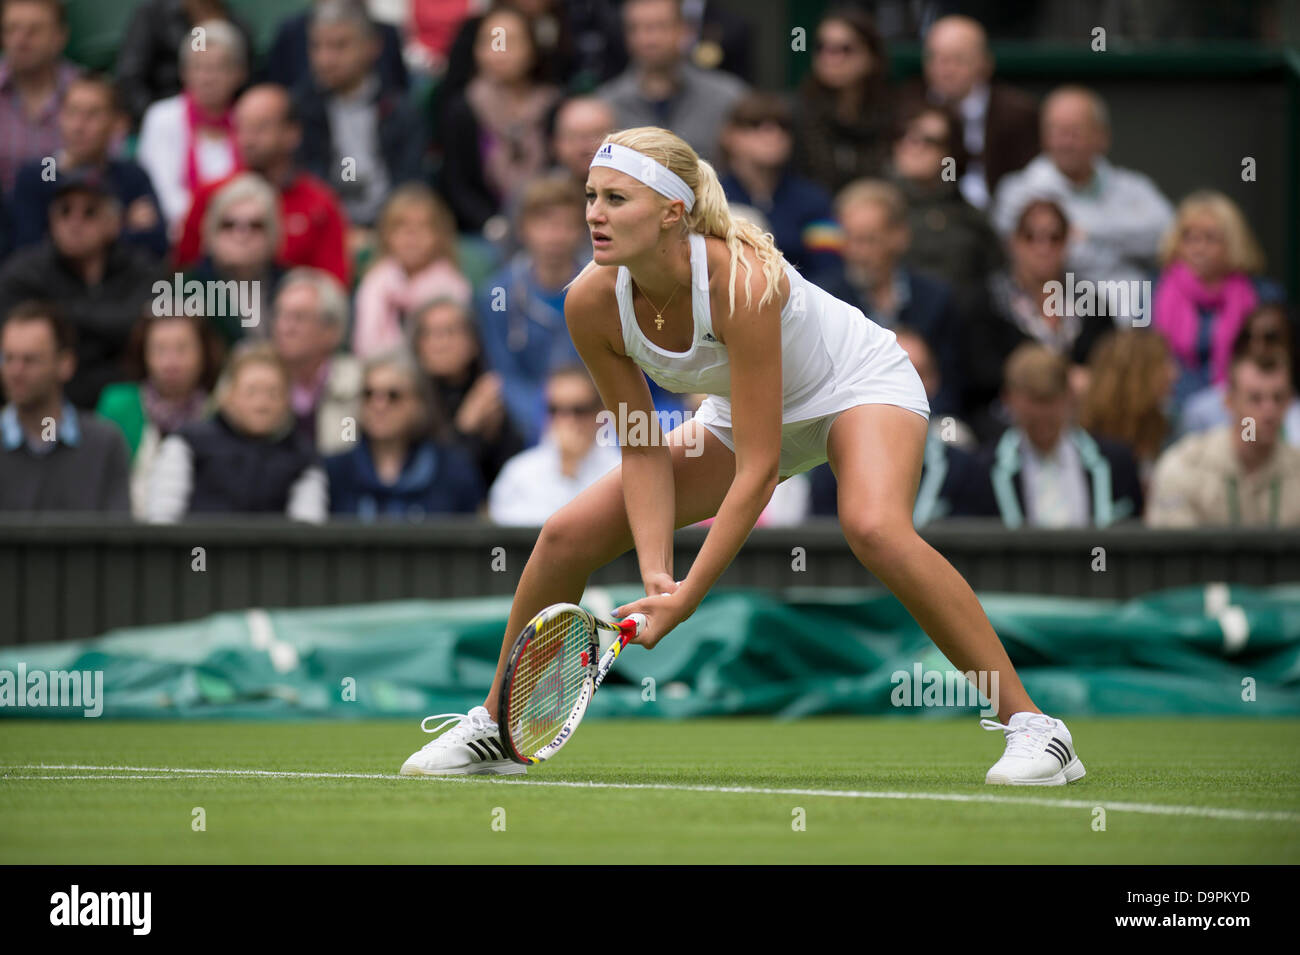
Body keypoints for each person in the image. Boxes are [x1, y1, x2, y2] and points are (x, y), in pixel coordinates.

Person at [400, 125, 1088, 787]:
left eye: (615, 199)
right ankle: (498, 724)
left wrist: (688, 597)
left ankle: (1034, 725)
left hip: (855, 387)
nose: (594, 216)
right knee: (567, 533)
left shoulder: (741, 280)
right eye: (590, 197)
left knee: (874, 527)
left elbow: (759, 470)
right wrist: (656, 573)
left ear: (672, 213)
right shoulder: (591, 301)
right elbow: (640, 448)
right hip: (741, 411)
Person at [0, 170, 161, 410]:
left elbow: (143, 329)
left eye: (89, 212)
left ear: (114, 223)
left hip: (125, 404)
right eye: (65, 211)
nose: (75, 222)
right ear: (51, 219)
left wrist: (64, 314)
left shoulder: (141, 269)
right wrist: (108, 325)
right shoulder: (23, 272)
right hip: (43, 403)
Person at [991, 85, 1173, 290]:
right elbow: (1046, 262)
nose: (1065, 142)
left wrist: (1091, 232)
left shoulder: (1134, 187)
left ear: (1102, 137)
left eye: (1074, 132)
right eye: (1056, 131)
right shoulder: (1017, 191)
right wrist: (1126, 243)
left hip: (1133, 311)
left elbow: (1168, 241)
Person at [964, 198, 1112, 443]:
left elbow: (1110, 367)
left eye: (1054, 237)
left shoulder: (1091, 302)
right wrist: (1056, 381)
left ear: (1067, 242)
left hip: (1085, 419)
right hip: (1009, 424)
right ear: (1013, 243)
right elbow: (980, 376)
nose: (1043, 247)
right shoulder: (986, 302)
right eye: (1031, 236)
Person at [174, 84, 351, 286]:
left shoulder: (321, 204)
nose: (248, 139)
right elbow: (184, 273)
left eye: (260, 128)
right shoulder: (210, 195)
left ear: (292, 133)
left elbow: (332, 287)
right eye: (241, 127)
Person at [818, 179, 963, 417]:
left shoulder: (935, 299)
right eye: (850, 239)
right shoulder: (826, 301)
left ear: (899, 237)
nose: (857, 253)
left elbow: (951, 388)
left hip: (928, 425)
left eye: (868, 240)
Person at [146, 341, 327, 522]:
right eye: (251, 392)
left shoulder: (303, 457)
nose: (262, 404)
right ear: (228, 395)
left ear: (287, 401)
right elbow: (162, 521)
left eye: (273, 393)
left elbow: (307, 531)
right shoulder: (186, 444)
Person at [293, 0, 428, 231]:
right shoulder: (300, 109)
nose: (326, 60)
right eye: (317, 46)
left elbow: (411, 185)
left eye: (340, 46)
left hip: (391, 230)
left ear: (372, 46)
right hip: (322, 228)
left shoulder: (401, 111)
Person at [476, 174, 588, 445]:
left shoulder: (607, 289)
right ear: (523, 229)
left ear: (582, 231)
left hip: (597, 419)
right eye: (544, 224)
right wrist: (547, 423)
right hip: (529, 427)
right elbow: (505, 376)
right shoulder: (497, 294)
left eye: (566, 225)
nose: (555, 236)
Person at [981, 343, 1144, 527]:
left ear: (1069, 397)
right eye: (1033, 409)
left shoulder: (1117, 463)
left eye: (1050, 404)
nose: (1043, 417)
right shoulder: (983, 471)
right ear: (1008, 400)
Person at [8, 73, 167, 257]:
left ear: (118, 123)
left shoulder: (131, 175)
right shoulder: (40, 174)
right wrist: (118, 227)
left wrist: (71, 237)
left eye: (92, 115)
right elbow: (28, 250)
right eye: (71, 112)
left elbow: (156, 245)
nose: (78, 126)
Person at [438, 6, 562, 235]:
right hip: (486, 229)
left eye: (510, 42)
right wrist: (491, 224)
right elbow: (457, 185)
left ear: (533, 48)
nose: (499, 51)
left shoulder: (554, 106)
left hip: (552, 227)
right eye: (490, 42)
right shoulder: (463, 108)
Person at [0, 300, 130, 513]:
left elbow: (118, 538)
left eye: (30, 360)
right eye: (8, 358)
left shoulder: (104, 445)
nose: (15, 371)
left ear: (65, 364)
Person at [324, 348, 483, 519]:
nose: (379, 406)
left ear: (419, 404)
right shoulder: (336, 472)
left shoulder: (453, 472)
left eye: (393, 396)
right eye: (368, 394)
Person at [1147, 350, 1300, 527]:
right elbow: (1172, 549)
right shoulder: (1185, 466)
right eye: (1255, 399)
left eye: (1278, 398)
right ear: (1229, 402)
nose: (1269, 411)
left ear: (1289, 402)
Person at [96, 310, 224, 517]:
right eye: (159, 350)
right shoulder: (117, 405)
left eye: (182, 349)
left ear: (204, 353)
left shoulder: (220, 410)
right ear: (144, 354)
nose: (171, 361)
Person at [1153, 190, 1273, 407]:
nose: (1199, 248)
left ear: (1233, 244)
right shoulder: (1155, 291)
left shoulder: (1261, 296)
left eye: (1211, 239)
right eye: (1189, 238)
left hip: (1240, 405)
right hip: (1171, 405)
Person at [594, 0, 745, 167]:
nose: (648, 40)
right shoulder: (603, 106)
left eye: (659, 27)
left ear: (686, 30)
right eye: (635, 29)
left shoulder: (728, 100)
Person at [889, 99, 1002, 314]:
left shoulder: (970, 218)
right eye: (905, 135)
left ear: (950, 154)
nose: (912, 145)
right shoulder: (871, 206)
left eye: (928, 140)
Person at [136, 19, 246, 235]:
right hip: (180, 236)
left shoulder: (248, 119)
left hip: (242, 232)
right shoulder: (162, 118)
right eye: (199, 67)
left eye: (218, 68)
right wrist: (216, 226)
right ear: (184, 73)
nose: (207, 78)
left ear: (239, 74)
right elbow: (163, 194)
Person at [917, 14, 1038, 210]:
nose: (946, 70)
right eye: (937, 59)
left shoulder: (1017, 113)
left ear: (985, 63)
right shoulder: (908, 109)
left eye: (957, 60)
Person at [718, 92, 840, 279]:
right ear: (730, 136)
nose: (773, 134)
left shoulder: (813, 200)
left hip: (801, 302)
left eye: (783, 126)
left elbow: (830, 270)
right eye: (755, 124)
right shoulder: (712, 198)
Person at [411, 296, 524, 490]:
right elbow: (429, 478)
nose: (440, 344)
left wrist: (491, 435)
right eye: (429, 334)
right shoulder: (404, 397)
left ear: (473, 343)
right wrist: (466, 427)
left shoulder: (488, 393)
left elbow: (512, 471)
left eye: (449, 332)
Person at [487, 362, 621, 524]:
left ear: (601, 412)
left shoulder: (622, 471)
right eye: (555, 409)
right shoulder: (518, 472)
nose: (567, 420)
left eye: (579, 410)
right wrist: (567, 469)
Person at [352, 183, 469, 358]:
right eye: (401, 227)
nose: (411, 236)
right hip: (382, 370)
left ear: (439, 236)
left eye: (422, 227)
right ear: (386, 236)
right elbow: (364, 345)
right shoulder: (375, 282)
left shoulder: (453, 287)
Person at [789, 8, 894, 195]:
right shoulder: (796, 113)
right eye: (822, 47)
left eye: (844, 49)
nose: (830, 58)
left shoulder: (891, 114)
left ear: (871, 57)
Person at [114, 0, 254, 129]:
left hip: (226, 120)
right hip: (167, 113)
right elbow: (130, 77)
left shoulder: (236, 25)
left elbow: (246, 85)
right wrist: (158, 119)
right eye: (199, 68)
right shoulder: (153, 15)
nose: (207, 77)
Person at [268, 267, 362, 456]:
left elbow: (348, 444)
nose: (286, 328)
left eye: (299, 318)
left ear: (332, 331)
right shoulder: (259, 378)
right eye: (281, 315)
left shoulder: (356, 385)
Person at [184, 172, 285, 347]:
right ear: (211, 233)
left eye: (255, 225)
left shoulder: (292, 287)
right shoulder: (185, 290)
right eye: (229, 225)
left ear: (272, 234)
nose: (241, 235)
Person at [1178, 303, 1300, 445]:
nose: (1257, 346)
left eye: (1270, 337)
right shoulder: (1202, 413)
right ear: (1230, 401)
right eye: (1247, 337)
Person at [1077, 329, 1178, 493]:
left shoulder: (1169, 426)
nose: (1174, 374)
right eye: (1163, 365)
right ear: (1136, 375)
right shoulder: (1086, 437)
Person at [0, 0, 79, 193]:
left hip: (65, 208)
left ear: (59, 37)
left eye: (33, 30)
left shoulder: (84, 93)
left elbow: (106, 165)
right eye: (11, 29)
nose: (20, 39)